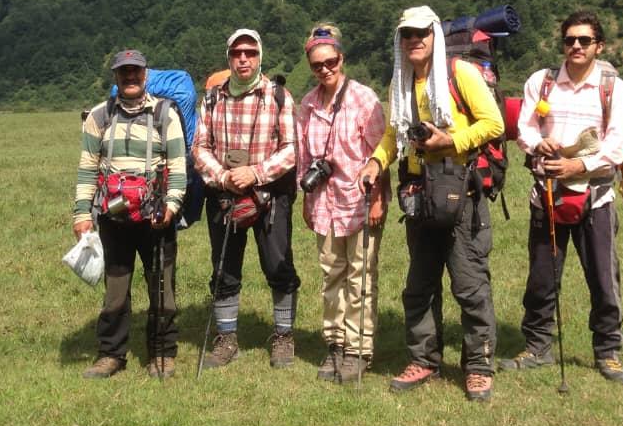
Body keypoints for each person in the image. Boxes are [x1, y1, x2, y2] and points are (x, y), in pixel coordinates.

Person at [358, 6, 504, 402]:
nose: (414, 40)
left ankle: (478, 367)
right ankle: (424, 360)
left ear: (435, 35)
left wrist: (449, 141)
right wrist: (375, 162)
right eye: (406, 34)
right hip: (419, 195)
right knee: (419, 286)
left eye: (421, 33)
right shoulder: (401, 81)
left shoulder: (461, 74)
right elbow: (394, 135)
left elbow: (494, 123)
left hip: (461, 194)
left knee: (470, 286)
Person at [505, 10, 623, 384]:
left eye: (584, 40)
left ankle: (608, 352)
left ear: (599, 46)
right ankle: (537, 348)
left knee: (603, 279)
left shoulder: (615, 89)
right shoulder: (541, 82)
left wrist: (577, 166)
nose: (576, 46)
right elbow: (524, 129)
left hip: (596, 197)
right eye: (569, 40)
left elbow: (617, 145)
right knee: (542, 278)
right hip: (547, 194)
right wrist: (538, 143)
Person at [72, 49, 187, 379]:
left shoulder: (165, 114)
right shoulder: (98, 116)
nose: (131, 77)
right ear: (116, 77)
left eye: (136, 71)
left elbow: (179, 166)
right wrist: (81, 214)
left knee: (162, 290)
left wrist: (172, 206)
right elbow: (87, 168)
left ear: (145, 75)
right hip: (113, 219)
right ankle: (111, 355)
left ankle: (162, 354)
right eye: (124, 72)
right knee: (115, 292)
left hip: (156, 217)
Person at [193, 28, 301, 369]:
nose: (243, 59)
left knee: (278, 265)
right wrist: (224, 176)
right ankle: (226, 339)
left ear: (259, 57)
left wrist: (255, 173)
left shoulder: (279, 96)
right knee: (224, 268)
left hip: (271, 197)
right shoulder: (212, 98)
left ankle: (283, 336)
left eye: (250, 53)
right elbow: (200, 148)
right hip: (224, 195)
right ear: (228, 58)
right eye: (237, 53)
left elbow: (291, 150)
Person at [296, 24, 388, 383]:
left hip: (360, 200)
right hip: (324, 202)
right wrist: (306, 201)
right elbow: (305, 159)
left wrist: (378, 199)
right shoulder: (307, 104)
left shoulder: (364, 99)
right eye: (317, 65)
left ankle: (358, 350)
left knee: (360, 278)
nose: (325, 69)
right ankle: (335, 344)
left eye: (330, 62)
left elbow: (381, 153)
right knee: (331, 276)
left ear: (341, 59)